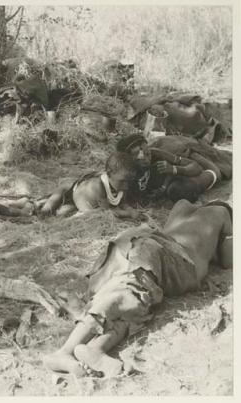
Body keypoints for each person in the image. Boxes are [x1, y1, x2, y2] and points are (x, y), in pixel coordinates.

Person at [43, 199, 232, 377]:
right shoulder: (222, 213)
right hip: (164, 256)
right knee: (126, 291)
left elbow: (168, 234)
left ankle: (95, 349)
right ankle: (64, 352)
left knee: (137, 299)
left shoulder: (182, 205)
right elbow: (228, 261)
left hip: (136, 241)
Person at [116, 134, 222, 203]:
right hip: (170, 183)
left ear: (146, 144)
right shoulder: (128, 170)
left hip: (188, 177)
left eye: (142, 149)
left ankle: (195, 155)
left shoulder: (157, 154)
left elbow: (196, 168)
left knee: (179, 190)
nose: (142, 156)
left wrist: (174, 169)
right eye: (135, 155)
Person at [37, 151, 141, 219]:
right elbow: (108, 212)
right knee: (50, 207)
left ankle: (48, 205)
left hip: (82, 205)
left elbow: (122, 203)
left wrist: (130, 209)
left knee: (63, 213)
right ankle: (40, 212)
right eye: (122, 181)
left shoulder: (122, 186)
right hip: (72, 191)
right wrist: (129, 214)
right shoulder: (99, 186)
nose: (126, 185)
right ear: (109, 173)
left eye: (129, 181)